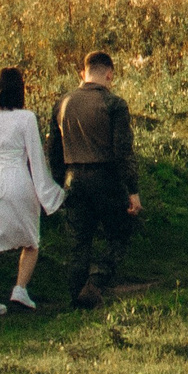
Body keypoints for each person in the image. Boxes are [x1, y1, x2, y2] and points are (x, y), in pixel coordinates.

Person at [0, 66, 61, 317]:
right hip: (19, 179)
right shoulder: (26, 118)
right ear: (20, 90)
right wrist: (50, 193)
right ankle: (20, 288)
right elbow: (35, 157)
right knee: (31, 239)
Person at [54, 50, 143, 308]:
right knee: (121, 231)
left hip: (73, 178)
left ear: (84, 73)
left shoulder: (62, 103)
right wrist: (132, 189)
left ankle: (76, 296)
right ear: (109, 74)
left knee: (78, 241)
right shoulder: (114, 104)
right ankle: (96, 281)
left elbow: (54, 152)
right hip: (105, 177)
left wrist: (59, 183)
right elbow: (123, 152)